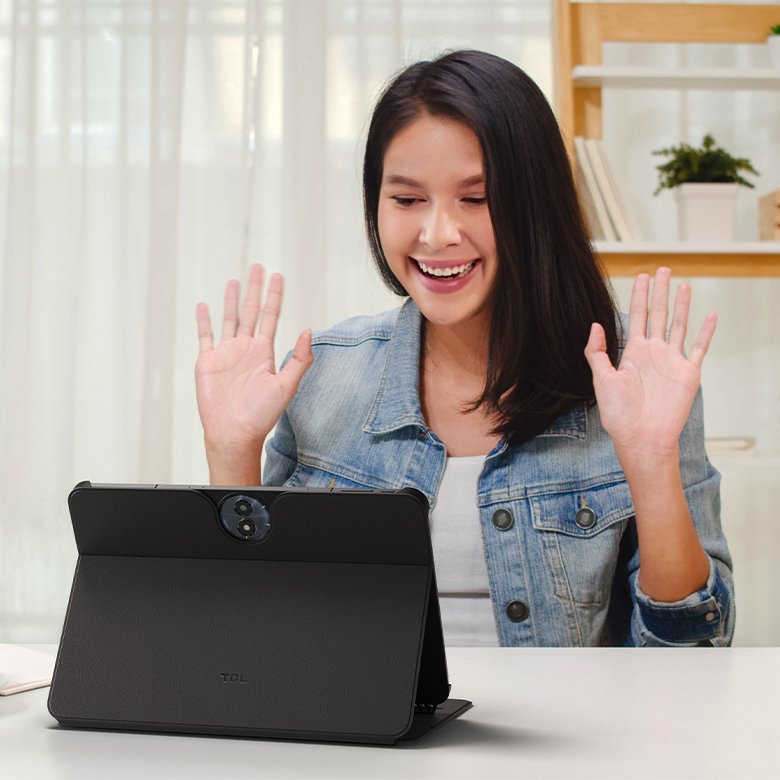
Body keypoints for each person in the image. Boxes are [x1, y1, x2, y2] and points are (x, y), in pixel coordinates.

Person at [194, 50, 734, 647]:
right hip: (361, 713)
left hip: (562, 712)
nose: (437, 234)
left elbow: (693, 649)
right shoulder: (321, 376)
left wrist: (650, 463)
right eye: (407, 200)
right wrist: (232, 454)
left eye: (475, 199)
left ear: (536, 205)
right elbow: (254, 640)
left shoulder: (634, 374)